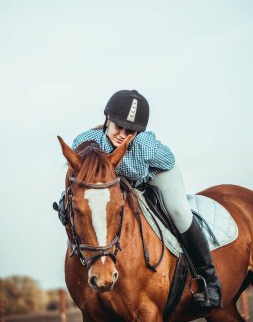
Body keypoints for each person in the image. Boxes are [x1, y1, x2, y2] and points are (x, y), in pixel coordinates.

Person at [56, 89, 221, 310]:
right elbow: (77, 179)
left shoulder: (146, 147)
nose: (122, 135)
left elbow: (168, 161)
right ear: (107, 120)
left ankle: (210, 281)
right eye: (118, 127)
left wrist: (140, 179)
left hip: (155, 173)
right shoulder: (85, 141)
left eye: (130, 131)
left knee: (180, 212)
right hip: (117, 185)